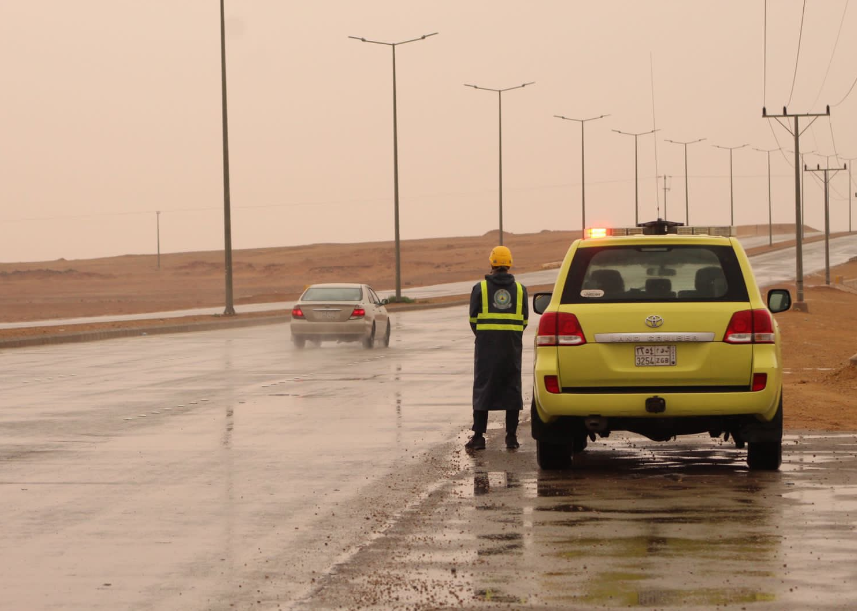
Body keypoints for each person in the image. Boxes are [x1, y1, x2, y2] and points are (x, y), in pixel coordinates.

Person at [466, 245, 528, 451]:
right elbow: (524, 321)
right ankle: (511, 437)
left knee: (483, 389)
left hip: (486, 349)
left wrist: (486, 336)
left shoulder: (480, 288)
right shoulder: (520, 290)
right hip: (511, 348)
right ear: (509, 263)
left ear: (491, 263)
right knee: (512, 389)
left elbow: (473, 319)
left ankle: (478, 437)